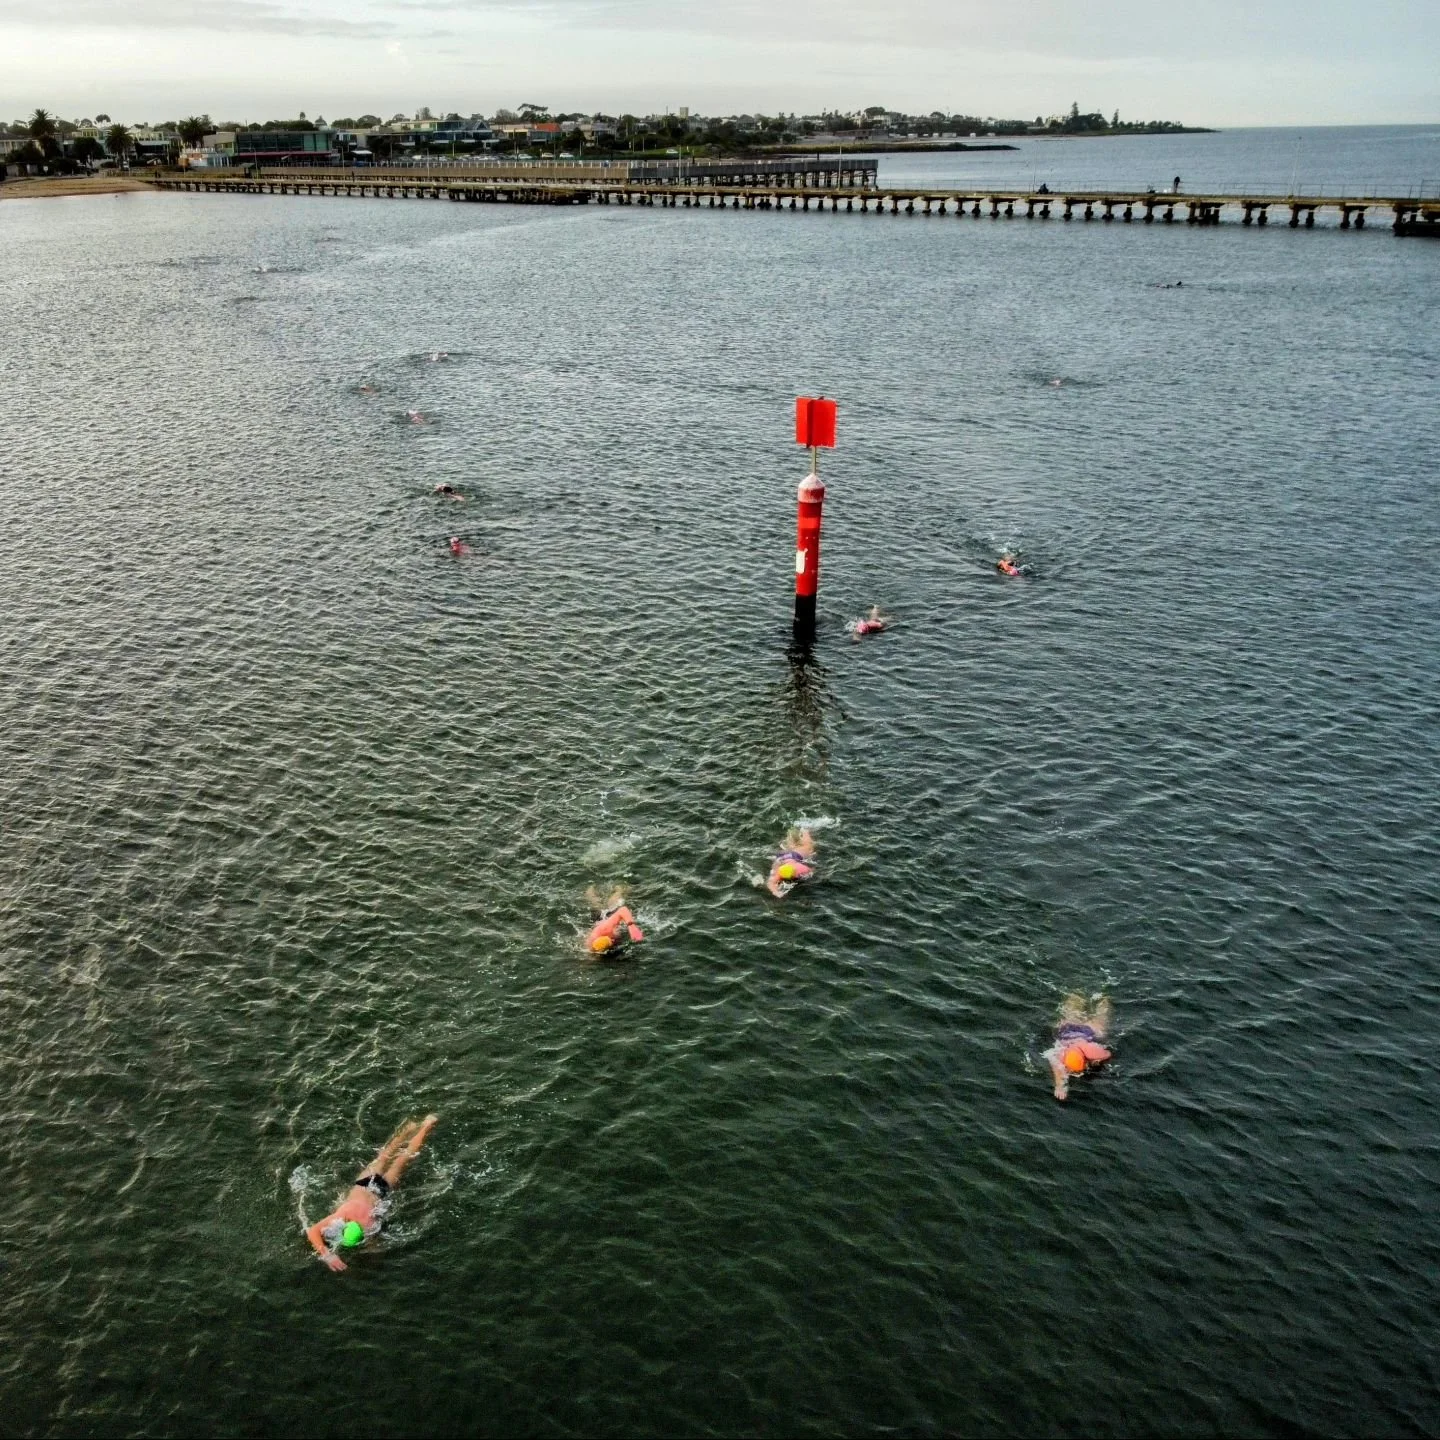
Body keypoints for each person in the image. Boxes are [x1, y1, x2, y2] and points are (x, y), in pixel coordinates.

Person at [305, 1115, 439, 1271]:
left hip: (381, 1190)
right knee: (384, 1156)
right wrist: (327, 1255)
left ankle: (427, 1125)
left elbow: (374, 1249)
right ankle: (410, 1128)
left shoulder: (369, 1227)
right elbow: (313, 1231)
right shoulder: (344, 1214)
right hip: (364, 1183)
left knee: (403, 1159)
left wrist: (373, 1260)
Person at [1044, 996, 1113, 1101]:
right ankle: (1099, 998)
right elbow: (1057, 1068)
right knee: (1076, 1008)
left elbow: (1107, 1054)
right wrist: (1059, 1086)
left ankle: (1104, 998)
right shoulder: (1061, 1054)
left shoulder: (1088, 1051)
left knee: (1100, 1020)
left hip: (1087, 1031)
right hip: (1067, 1029)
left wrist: (1096, 1061)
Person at [584, 886, 644, 955]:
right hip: (600, 924)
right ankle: (590, 890)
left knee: (612, 903)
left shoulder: (605, 929)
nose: (612, 940)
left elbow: (623, 910)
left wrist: (631, 926)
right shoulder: (591, 945)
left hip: (605, 918)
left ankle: (619, 889)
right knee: (596, 904)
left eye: (611, 940)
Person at [766, 827, 816, 897]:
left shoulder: (780, 870)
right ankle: (804, 830)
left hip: (784, 856)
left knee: (774, 869)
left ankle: (802, 831)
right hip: (789, 856)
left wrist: (776, 892)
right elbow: (811, 871)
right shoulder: (800, 866)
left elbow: (771, 883)